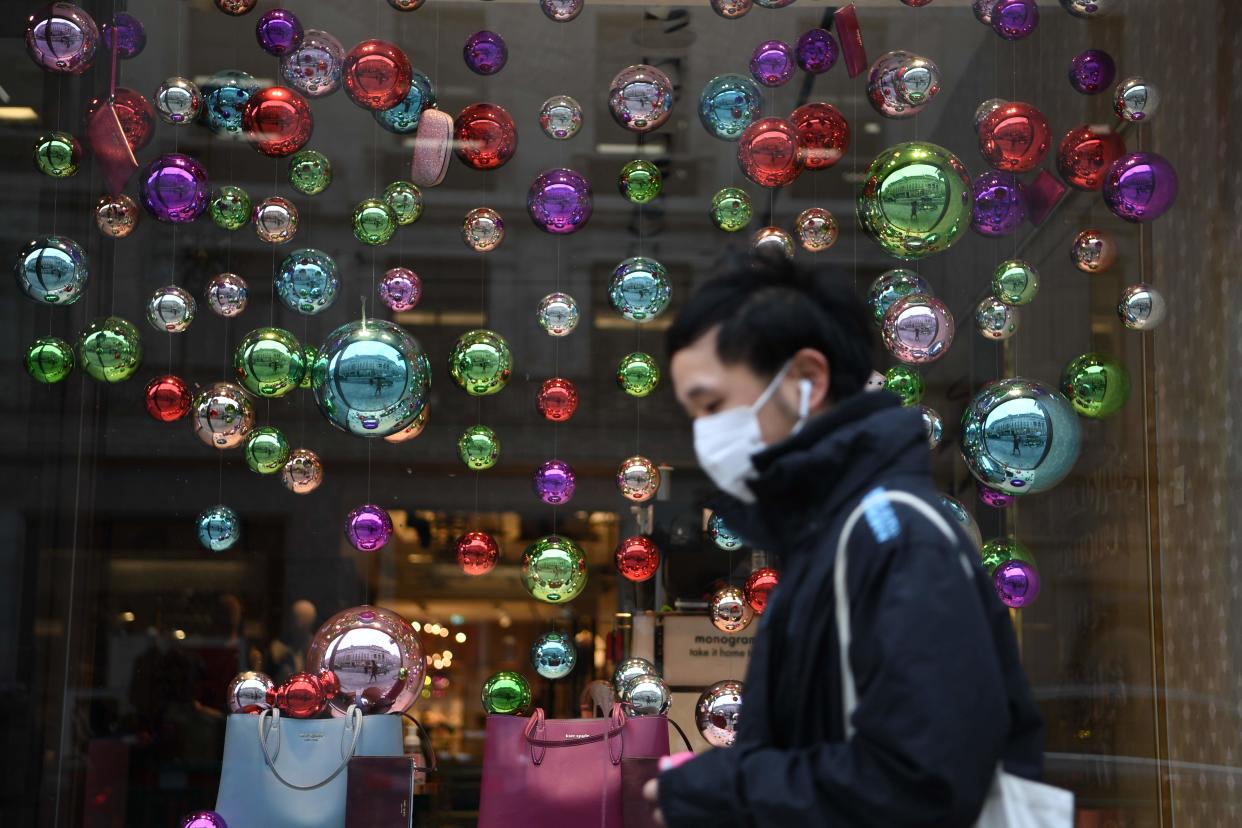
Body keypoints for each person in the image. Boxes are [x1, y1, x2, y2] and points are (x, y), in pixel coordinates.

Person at [644, 256, 1044, 827]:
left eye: (712, 404)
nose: (705, 434)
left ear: (806, 381)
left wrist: (725, 792)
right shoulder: (833, 540)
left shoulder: (892, 538)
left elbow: (923, 783)